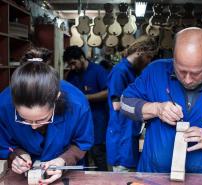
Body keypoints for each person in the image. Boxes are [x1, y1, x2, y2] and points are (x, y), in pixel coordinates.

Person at [120, 27, 202, 173]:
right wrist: (156, 109)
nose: (187, 80)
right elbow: (124, 103)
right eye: (181, 71)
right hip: (152, 178)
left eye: (196, 73)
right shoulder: (155, 71)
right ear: (174, 57)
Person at [0, 47, 94, 184]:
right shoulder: (3, 105)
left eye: (41, 119)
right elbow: (4, 143)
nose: (33, 127)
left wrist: (64, 160)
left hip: (66, 171)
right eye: (24, 119)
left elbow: (82, 142)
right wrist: (16, 155)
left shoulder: (77, 104)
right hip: (23, 176)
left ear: (56, 98)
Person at [106, 36, 158, 172]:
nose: (149, 62)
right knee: (123, 175)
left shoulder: (133, 71)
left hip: (129, 134)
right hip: (121, 136)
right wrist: (147, 106)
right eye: (148, 57)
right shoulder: (120, 71)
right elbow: (116, 105)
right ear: (140, 51)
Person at [63, 46, 109, 171]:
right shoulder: (71, 75)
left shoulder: (98, 71)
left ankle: (103, 181)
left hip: (96, 119)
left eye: (73, 63)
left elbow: (108, 92)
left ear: (82, 58)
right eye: (69, 64)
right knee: (80, 153)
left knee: (97, 153)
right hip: (78, 121)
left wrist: (85, 98)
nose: (72, 67)